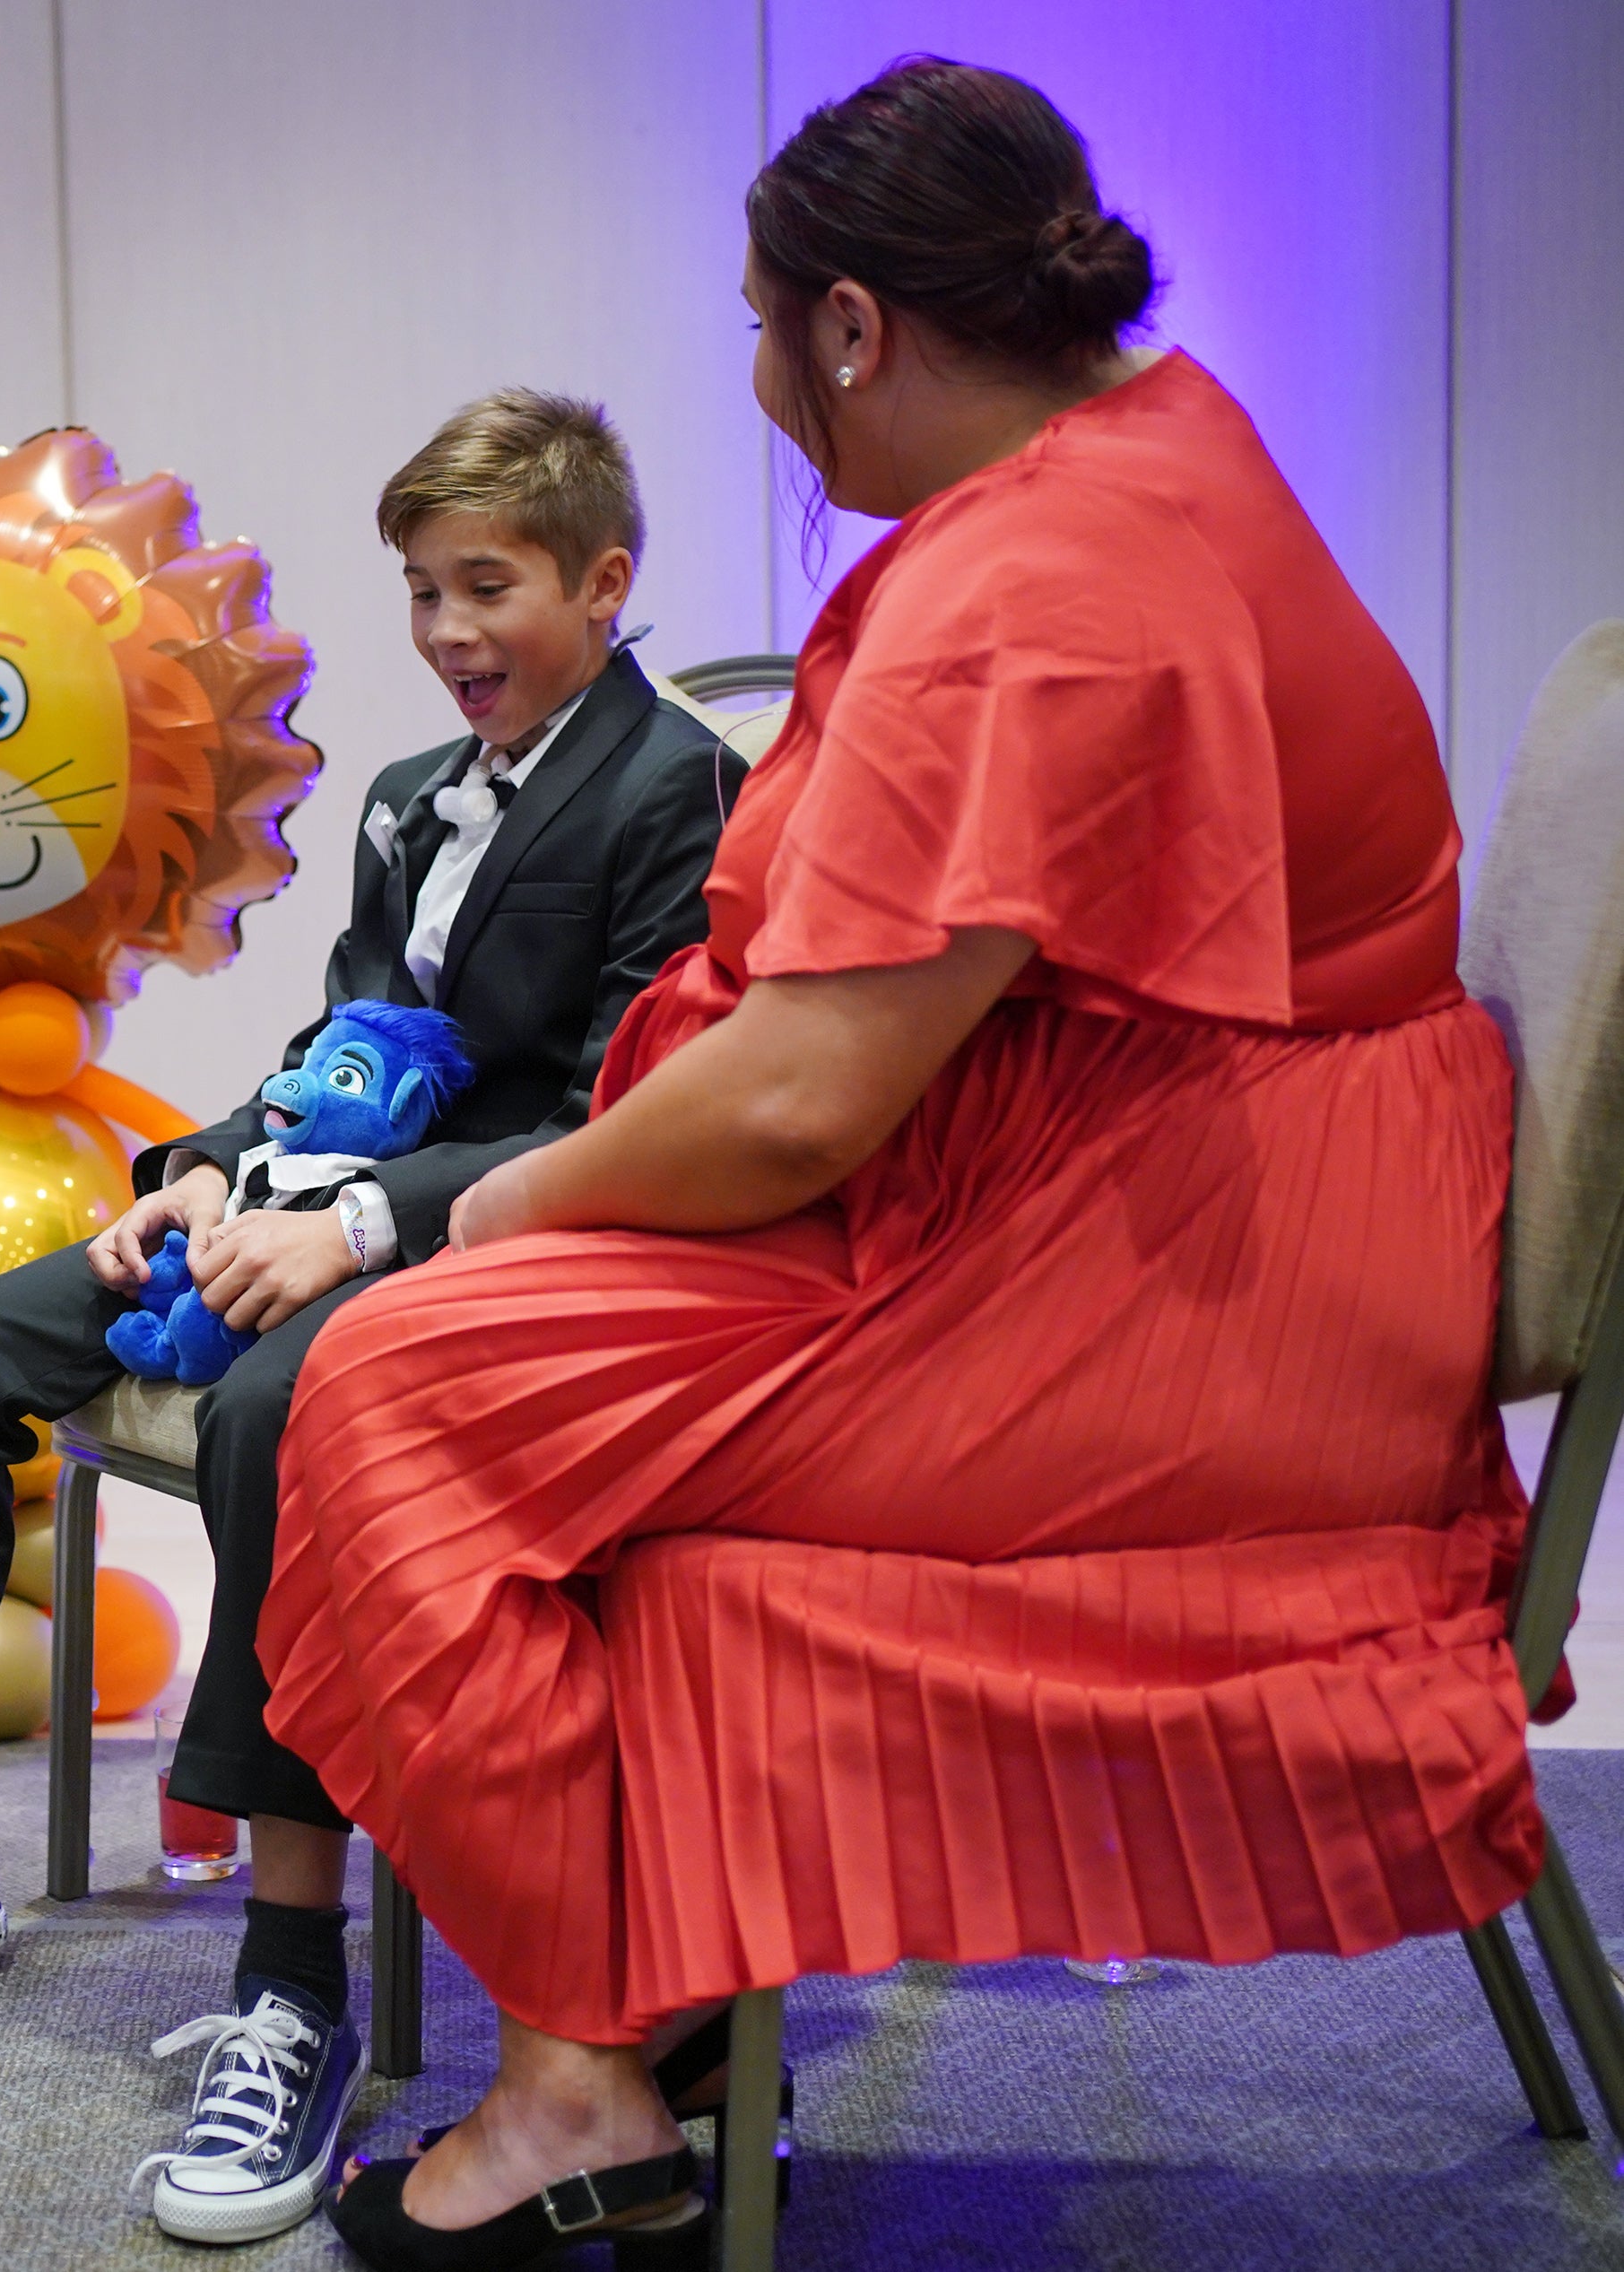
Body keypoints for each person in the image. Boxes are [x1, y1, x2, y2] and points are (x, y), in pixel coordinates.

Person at [262, 61, 1550, 2269]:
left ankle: (580, 2072)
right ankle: (621, 2013)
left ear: (851, 326)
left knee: (394, 1380)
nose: (757, 382)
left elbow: (794, 1104)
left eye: (762, 330)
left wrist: (485, 1205)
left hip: (1173, 1285)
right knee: (465, 1358)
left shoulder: (1038, 576)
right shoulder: (1147, 442)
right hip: (1177, 1209)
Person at [0, 392, 743, 2247]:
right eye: (419, 592)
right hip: (311, 1210)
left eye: (483, 588)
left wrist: (348, 1224)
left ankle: (288, 1979)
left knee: (265, 1415)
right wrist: (198, 1166)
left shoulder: (680, 790)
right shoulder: (411, 800)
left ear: (604, 578)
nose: (445, 633)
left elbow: (610, 1112)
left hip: (498, 1251)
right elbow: (338, 1054)